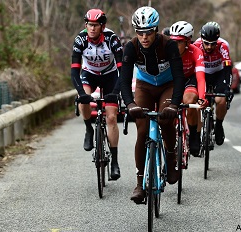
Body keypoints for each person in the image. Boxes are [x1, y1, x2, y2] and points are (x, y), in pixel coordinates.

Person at [120, 6, 185, 203]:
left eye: (148, 32)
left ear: (156, 30)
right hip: (144, 87)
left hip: (167, 85)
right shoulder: (131, 47)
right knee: (142, 130)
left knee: (166, 118)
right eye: (140, 32)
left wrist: (174, 105)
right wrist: (130, 104)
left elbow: (180, 77)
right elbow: (123, 80)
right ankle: (140, 184)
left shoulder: (169, 45)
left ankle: (172, 159)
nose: (144, 37)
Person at [71, 9, 123, 180]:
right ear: (85, 25)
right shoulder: (80, 40)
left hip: (110, 76)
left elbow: (123, 69)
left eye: (96, 25)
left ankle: (114, 162)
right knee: (83, 100)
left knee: (111, 117)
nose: (92, 29)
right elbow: (74, 71)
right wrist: (81, 94)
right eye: (89, 25)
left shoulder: (111, 39)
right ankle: (88, 129)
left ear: (103, 26)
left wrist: (115, 93)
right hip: (89, 74)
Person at [169, 21, 208, 156]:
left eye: (178, 42)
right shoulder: (166, 50)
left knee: (189, 101)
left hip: (189, 80)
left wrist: (202, 98)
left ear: (187, 42)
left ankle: (194, 136)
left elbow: (201, 78)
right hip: (172, 80)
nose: (174, 45)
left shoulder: (196, 52)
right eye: (172, 41)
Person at [193, 21, 233, 146]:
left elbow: (227, 68)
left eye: (212, 44)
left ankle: (219, 126)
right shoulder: (196, 45)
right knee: (197, 102)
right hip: (202, 73)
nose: (209, 47)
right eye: (206, 43)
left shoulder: (223, 45)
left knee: (221, 100)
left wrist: (227, 86)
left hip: (218, 73)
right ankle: (197, 134)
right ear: (201, 40)